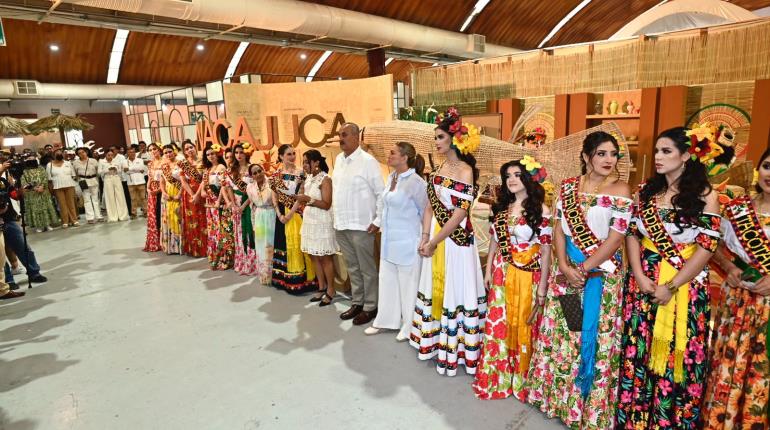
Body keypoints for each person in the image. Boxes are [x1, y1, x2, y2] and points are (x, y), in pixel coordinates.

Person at [616, 126, 720, 429]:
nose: (658, 157)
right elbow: (632, 234)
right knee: (638, 347)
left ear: (687, 155)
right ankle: (634, 418)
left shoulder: (706, 196)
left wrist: (672, 285)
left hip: (683, 284)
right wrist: (638, 273)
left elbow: (707, 248)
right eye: (657, 151)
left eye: (666, 151)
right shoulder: (647, 191)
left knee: (679, 351)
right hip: (643, 281)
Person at [526, 131, 631, 429]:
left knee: (594, 337)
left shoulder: (622, 190)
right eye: (601, 153)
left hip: (600, 280)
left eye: (613, 154)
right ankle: (560, 400)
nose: (608, 159)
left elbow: (615, 240)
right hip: (567, 275)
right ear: (586, 156)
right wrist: (562, 263)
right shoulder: (569, 187)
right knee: (568, 335)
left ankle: (588, 408)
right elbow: (558, 228)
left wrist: (582, 269)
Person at [410, 107, 486, 376]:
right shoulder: (440, 167)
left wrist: (435, 241)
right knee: (435, 285)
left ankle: (458, 347)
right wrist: (425, 237)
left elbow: (460, 212)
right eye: (436, 138)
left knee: (455, 287)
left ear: (454, 139)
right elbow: (431, 204)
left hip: (455, 241)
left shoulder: (466, 171)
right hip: (437, 236)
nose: (437, 142)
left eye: (440, 137)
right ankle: (434, 341)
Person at [472, 157, 552, 401]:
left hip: (529, 274)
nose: (511, 180)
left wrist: (543, 285)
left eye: (517, 174)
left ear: (528, 178)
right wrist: (487, 271)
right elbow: (495, 240)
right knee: (500, 323)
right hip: (501, 272)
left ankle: (523, 378)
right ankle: (499, 376)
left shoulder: (541, 210)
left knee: (524, 325)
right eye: (508, 176)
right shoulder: (502, 207)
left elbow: (547, 250)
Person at [704, 145, 770, 429]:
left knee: (761, 367)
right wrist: (729, 267)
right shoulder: (737, 209)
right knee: (730, 359)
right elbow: (711, 242)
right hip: (737, 298)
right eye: (768, 166)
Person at [363, 142, 427, 339]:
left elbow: (426, 212)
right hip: (389, 241)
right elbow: (384, 205)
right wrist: (377, 222)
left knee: (408, 285)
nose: (388, 156)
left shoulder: (416, 182)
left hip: (408, 241)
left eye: (392, 153)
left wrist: (424, 239)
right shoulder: (392, 177)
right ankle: (386, 321)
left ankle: (409, 326)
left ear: (404, 157)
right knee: (387, 281)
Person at [332, 122, 385, 326]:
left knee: (367, 268)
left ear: (356, 137)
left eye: (344, 134)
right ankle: (358, 302)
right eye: (339, 135)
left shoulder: (368, 161)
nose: (340, 139)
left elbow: (380, 193)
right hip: (342, 224)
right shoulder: (339, 159)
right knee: (352, 267)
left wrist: (378, 219)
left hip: (362, 225)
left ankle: (371, 306)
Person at [293, 150, 338, 306]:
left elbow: (326, 204)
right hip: (310, 220)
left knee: (325, 257)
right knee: (313, 255)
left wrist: (307, 199)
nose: (304, 165)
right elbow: (306, 198)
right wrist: (301, 196)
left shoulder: (325, 179)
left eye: (307, 162)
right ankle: (321, 287)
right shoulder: (309, 178)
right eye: (304, 162)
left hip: (322, 221)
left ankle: (331, 290)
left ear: (316, 162)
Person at [269, 144, 316, 293]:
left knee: (299, 242)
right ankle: (284, 279)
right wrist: (280, 214)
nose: (292, 157)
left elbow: (301, 196)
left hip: (296, 213)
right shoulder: (275, 175)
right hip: (281, 214)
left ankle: (303, 280)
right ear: (281, 156)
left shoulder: (301, 173)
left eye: (294, 154)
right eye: (289, 154)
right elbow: (274, 196)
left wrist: (289, 214)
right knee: (283, 244)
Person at [226, 144, 259, 274]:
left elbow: (256, 189)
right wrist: (233, 204)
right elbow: (228, 187)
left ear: (246, 154)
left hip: (249, 203)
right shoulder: (231, 170)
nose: (239, 155)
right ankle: (242, 262)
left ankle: (253, 264)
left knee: (251, 231)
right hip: (236, 203)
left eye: (241, 152)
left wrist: (243, 206)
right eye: (236, 152)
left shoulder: (252, 169)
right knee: (239, 233)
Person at [201, 147, 233, 269]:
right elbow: (203, 184)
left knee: (222, 230)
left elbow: (223, 186)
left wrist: (219, 200)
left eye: (213, 153)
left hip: (220, 203)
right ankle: (214, 256)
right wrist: (203, 191)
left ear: (217, 154)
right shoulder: (207, 169)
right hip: (210, 204)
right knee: (213, 230)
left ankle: (224, 258)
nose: (210, 156)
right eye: (208, 154)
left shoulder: (221, 167)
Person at [246, 163, 276, 284]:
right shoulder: (249, 188)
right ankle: (264, 275)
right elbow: (252, 206)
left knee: (271, 244)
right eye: (255, 173)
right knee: (261, 245)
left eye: (259, 171)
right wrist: (254, 225)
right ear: (251, 176)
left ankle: (274, 275)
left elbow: (276, 203)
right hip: (259, 216)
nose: (258, 174)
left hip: (271, 214)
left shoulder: (272, 183)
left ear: (263, 170)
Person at [177, 141, 206, 258]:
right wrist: (192, 194)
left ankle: (205, 247)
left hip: (202, 192)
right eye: (186, 149)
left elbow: (205, 178)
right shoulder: (183, 164)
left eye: (191, 147)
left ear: (195, 147)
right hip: (189, 195)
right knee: (192, 219)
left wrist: (198, 194)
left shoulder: (203, 161)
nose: (189, 150)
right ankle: (194, 248)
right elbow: (183, 181)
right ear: (184, 152)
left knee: (203, 219)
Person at [20, 154, 59, 232]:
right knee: (36, 210)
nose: (31, 161)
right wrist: (33, 188)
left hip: (43, 192)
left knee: (45, 208)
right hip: (32, 193)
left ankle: (47, 224)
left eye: (33, 159)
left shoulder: (41, 168)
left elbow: (45, 178)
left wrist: (42, 187)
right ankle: (39, 226)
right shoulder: (24, 171)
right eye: (29, 159)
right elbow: (23, 182)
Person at [46, 148, 79, 228]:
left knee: (71, 203)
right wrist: (51, 189)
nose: (59, 154)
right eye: (57, 153)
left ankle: (74, 220)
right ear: (54, 155)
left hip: (69, 185)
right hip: (57, 186)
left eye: (61, 153)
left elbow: (73, 175)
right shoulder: (49, 165)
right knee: (62, 204)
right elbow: (49, 179)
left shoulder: (68, 163)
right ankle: (65, 221)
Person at [159, 144, 183, 254]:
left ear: (174, 151)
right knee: (169, 218)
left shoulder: (181, 163)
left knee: (179, 218)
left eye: (170, 151)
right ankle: (172, 247)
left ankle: (182, 246)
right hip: (168, 195)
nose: (168, 154)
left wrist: (180, 193)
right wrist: (163, 192)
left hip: (179, 193)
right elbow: (162, 181)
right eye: (165, 152)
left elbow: (185, 181)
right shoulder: (163, 166)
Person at [72, 147, 103, 224]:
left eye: (83, 152)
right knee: (86, 200)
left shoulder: (93, 160)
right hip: (83, 181)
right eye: (79, 153)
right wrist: (78, 180)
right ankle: (90, 217)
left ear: (86, 152)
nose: (82, 154)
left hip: (93, 180)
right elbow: (75, 174)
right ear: (77, 155)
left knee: (95, 199)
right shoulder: (75, 163)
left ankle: (99, 216)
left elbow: (98, 171)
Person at [99, 149, 129, 222]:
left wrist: (115, 169)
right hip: (107, 179)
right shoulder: (101, 161)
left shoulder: (116, 161)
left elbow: (120, 170)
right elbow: (99, 172)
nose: (110, 156)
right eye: (108, 155)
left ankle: (122, 216)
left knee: (120, 196)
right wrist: (107, 170)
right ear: (105, 155)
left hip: (116, 178)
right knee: (110, 197)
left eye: (111, 155)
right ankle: (113, 217)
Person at [143, 143, 162, 252]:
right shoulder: (150, 164)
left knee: (162, 215)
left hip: (162, 190)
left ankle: (164, 240)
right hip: (152, 191)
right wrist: (148, 189)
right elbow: (150, 178)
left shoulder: (165, 161)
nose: (153, 151)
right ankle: (155, 241)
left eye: (154, 149)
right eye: (150, 150)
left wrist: (158, 190)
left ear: (159, 149)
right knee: (154, 216)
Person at [126, 146, 148, 219]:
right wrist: (136, 169)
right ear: (127, 153)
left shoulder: (140, 160)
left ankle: (145, 212)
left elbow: (141, 169)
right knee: (133, 199)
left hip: (141, 181)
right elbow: (125, 171)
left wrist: (130, 169)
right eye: (130, 152)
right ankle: (134, 213)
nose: (132, 153)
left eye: (133, 152)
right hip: (131, 183)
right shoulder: (125, 161)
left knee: (143, 198)